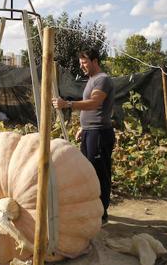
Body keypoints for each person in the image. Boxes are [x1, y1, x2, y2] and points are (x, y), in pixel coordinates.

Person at [52, 48, 115, 225]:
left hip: (100, 133)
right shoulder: (92, 80)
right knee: (87, 173)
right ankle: (93, 210)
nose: (82, 67)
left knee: (99, 173)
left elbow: (95, 103)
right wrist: (83, 127)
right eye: (80, 63)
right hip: (90, 131)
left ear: (95, 61)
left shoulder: (102, 80)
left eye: (85, 62)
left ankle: (102, 214)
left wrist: (68, 104)